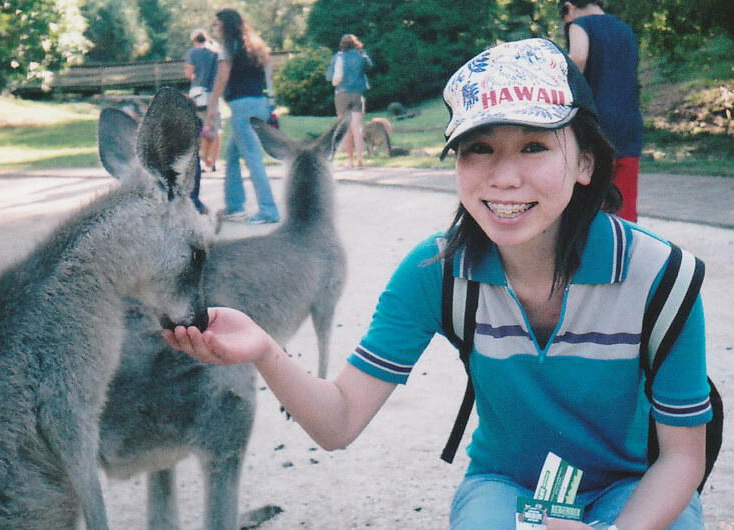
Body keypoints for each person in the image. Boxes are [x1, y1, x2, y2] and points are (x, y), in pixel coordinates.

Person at [164, 39, 710, 529]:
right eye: (478, 148)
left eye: (534, 146)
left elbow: (684, 456)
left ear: (586, 162)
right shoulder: (437, 270)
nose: (502, 176)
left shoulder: (661, 278)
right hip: (508, 488)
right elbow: (339, 421)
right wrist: (263, 348)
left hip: (633, 488)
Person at [560, 0, 644, 222]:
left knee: (590, 201)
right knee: (624, 204)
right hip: (629, 123)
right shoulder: (624, 29)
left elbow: (578, 58)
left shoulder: (580, 24)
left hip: (596, 125)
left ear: (569, 8)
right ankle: (625, 250)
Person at [205, 8, 280, 224]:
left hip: (241, 107)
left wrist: (212, 107)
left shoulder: (229, 46)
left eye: (218, 24)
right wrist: (271, 102)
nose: (216, 28)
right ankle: (234, 205)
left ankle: (268, 209)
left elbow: (222, 77)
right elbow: (268, 74)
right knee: (231, 154)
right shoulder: (255, 46)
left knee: (253, 158)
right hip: (260, 104)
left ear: (226, 25)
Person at [184, 28, 219, 215]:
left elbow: (189, 75)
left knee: (194, 136)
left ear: (194, 40)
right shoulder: (215, 51)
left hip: (197, 94)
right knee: (212, 131)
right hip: (213, 95)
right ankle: (211, 162)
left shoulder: (193, 52)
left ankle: (201, 159)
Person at [326, 34, 373, 169]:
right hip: (357, 94)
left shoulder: (338, 57)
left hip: (342, 95)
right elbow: (369, 64)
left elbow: (329, 76)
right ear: (355, 43)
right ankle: (360, 158)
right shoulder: (361, 56)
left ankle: (350, 161)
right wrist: (362, 51)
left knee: (345, 129)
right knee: (356, 127)